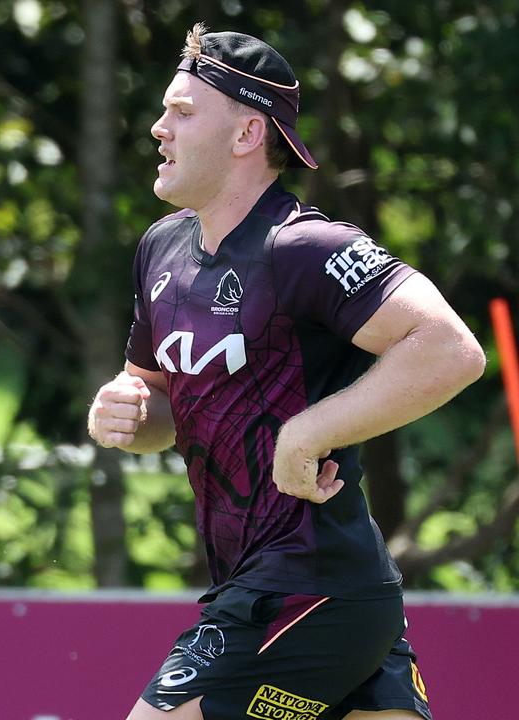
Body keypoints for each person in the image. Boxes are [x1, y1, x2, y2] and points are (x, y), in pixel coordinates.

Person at [87, 24, 483, 720]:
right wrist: (125, 414)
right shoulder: (161, 249)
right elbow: (157, 405)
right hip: (314, 594)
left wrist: (306, 432)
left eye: (182, 113)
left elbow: (451, 349)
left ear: (245, 135)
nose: (157, 129)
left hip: (306, 587)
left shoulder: (303, 245)